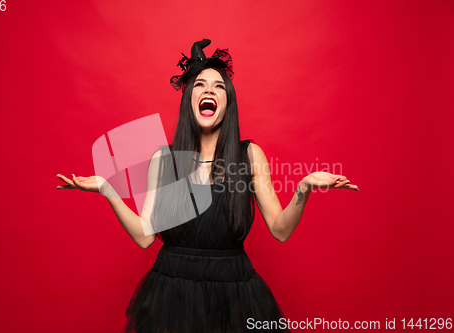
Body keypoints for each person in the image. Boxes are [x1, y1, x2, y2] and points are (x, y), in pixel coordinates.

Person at [56, 39, 359, 332]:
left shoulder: (249, 155)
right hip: (171, 294)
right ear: (189, 98)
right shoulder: (164, 159)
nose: (208, 90)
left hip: (232, 294)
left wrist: (303, 189)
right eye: (200, 84)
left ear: (228, 102)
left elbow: (280, 230)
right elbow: (145, 237)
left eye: (218, 86)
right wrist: (108, 190)